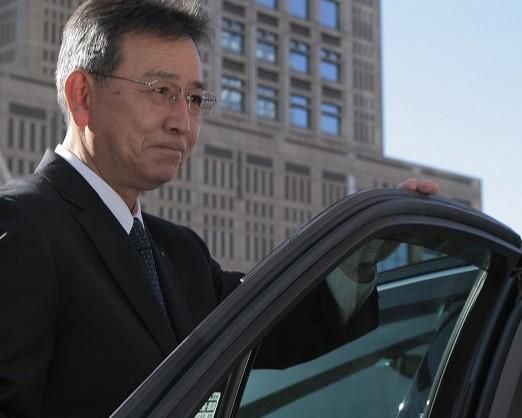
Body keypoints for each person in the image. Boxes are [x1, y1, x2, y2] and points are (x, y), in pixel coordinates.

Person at [0, 1, 439, 416]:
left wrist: (361, 252)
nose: (182, 122)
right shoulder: (22, 226)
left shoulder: (180, 253)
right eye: (161, 91)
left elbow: (276, 325)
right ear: (82, 95)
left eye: (193, 99)